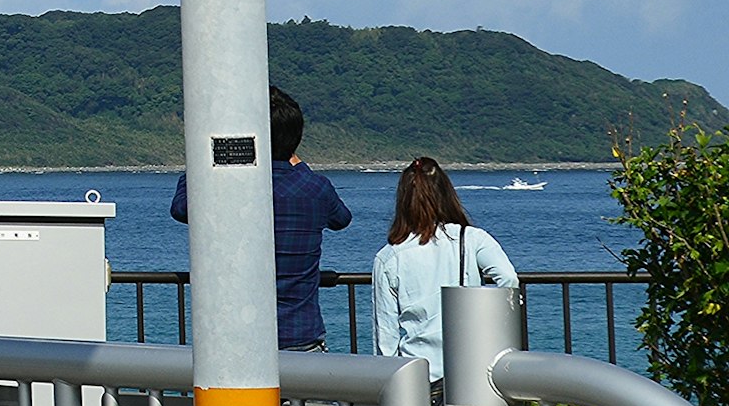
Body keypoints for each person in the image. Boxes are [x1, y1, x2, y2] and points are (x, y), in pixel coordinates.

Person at [169, 85, 355, 349]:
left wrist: (201, 160)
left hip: (239, 341)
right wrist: (300, 166)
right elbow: (342, 218)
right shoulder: (315, 189)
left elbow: (180, 208)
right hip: (301, 337)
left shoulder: (228, 189)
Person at [374, 156, 521, 382]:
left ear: (403, 200)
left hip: (419, 376)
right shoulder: (471, 238)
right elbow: (508, 278)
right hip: (471, 368)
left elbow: (386, 336)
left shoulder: (388, 257)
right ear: (446, 194)